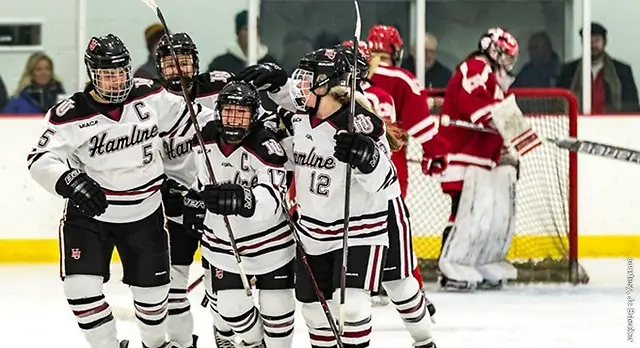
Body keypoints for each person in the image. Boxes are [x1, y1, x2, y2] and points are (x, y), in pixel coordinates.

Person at [26, 34, 214, 348]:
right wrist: (69, 180)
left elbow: (195, 121)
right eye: (107, 75)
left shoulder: (149, 95)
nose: (116, 81)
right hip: (90, 216)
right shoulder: (70, 114)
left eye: (121, 72)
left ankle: (155, 345)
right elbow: (40, 158)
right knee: (80, 291)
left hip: (146, 213)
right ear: (92, 74)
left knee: (154, 301)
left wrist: (246, 125)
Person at [238, 47, 408, 348]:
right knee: (315, 313)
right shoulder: (301, 119)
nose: (300, 82)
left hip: (357, 232)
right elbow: (288, 154)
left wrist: (369, 160)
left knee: (351, 306)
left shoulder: (362, 124)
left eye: (308, 77)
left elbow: (388, 183)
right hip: (312, 232)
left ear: (330, 85)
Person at [336, 42, 437, 347]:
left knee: (399, 279)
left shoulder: (373, 99)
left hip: (378, 198)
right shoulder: (321, 104)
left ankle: (419, 324)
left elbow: (388, 145)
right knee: (348, 298)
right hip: (340, 206)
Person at [184, 80, 296, 348]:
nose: (234, 120)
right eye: (228, 111)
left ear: (254, 116)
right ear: (218, 112)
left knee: (277, 316)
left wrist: (242, 199)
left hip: (272, 247)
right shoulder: (203, 136)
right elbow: (196, 179)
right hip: (223, 245)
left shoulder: (266, 146)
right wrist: (194, 199)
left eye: (242, 113)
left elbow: (272, 199)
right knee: (233, 311)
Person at [154, 32, 236, 348]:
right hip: (173, 206)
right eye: (170, 65)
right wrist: (161, 185)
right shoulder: (150, 102)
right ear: (159, 67)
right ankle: (182, 341)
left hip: (216, 202)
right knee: (174, 281)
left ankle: (225, 332)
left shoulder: (220, 89)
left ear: (195, 63)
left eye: (184, 63)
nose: (178, 71)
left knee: (222, 279)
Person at [429, 27, 521, 290]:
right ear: (492, 50)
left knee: (483, 215)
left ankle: (476, 262)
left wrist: (509, 143)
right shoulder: (476, 67)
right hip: (462, 155)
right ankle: (451, 266)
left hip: (479, 158)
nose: (508, 60)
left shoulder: (492, 75)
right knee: (463, 213)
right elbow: (478, 108)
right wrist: (507, 125)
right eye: (504, 54)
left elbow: (498, 115)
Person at [366, 25, 448, 201]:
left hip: (347, 160)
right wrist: (435, 152)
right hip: (389, 162)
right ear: (395, 51)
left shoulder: (350, 75)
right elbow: (421, 125)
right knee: (389, 222)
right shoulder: (402, 79)